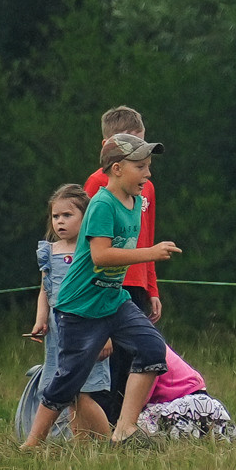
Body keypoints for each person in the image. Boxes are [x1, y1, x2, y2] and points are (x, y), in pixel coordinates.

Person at [22, 134, 183, 448]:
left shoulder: (135, 202)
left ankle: (125, 428)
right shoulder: (101, 205)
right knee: (68, 381)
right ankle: (31, 445)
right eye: (141, 167)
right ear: (118, 168)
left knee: (152, 350)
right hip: (79, 307)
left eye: (149, 166)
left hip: (113, 301)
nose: (148, 174)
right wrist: (151, 253)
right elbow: (101, 256)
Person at [17, 184, 117, 440]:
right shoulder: (48, 253)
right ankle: (81, 446)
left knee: (82, 394)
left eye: (68, 215)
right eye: (56, 216)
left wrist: (106, 335)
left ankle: (109, 442)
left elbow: (105, 293)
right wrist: (41, 321)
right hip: (59, 335)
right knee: (69, 396)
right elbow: (45, 291)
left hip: (88, 331)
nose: (60, 221)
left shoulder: (93, 253)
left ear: (86, 218)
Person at [82, 106, 163, 325]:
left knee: (136, 351)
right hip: (106, 281)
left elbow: (147, 238)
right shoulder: (98, 185)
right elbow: (87, 241)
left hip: (138, 282)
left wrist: (151, 287)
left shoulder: (147, 188)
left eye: (141, 145)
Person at [134, 345, 236, 440]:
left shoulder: (144, 346)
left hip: (188, 406)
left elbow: (140, 398)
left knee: (134, 423)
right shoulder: (144, 339)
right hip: (198, 404)